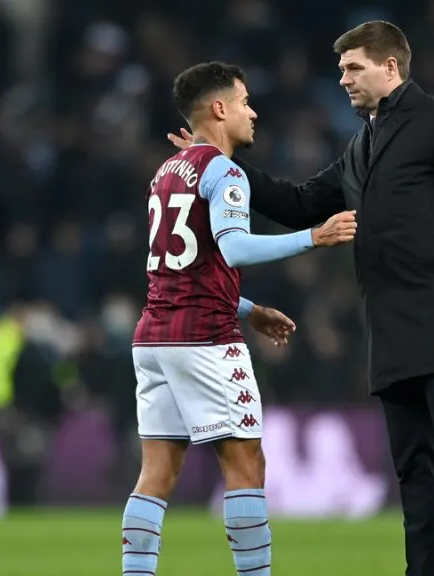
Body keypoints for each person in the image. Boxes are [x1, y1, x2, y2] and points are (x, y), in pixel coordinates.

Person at [169, 20, 434, 576]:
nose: (343, 79)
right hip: (389, 328)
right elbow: (300, 200)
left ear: (391, 66)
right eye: (340, 70)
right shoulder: (364, 144)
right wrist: (216, 161)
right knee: (415, 470)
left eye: (353, 68)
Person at [125, 61, 356, 576]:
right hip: (205, 339)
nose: (254, 113)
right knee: (245, 464)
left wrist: (249, 309)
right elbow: (234, 249)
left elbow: (182, 268)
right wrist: (313, 237)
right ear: (220, 108)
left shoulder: (165, 172)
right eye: (246, 102)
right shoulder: (224, 172)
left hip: (154, 338)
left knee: (157, 473)